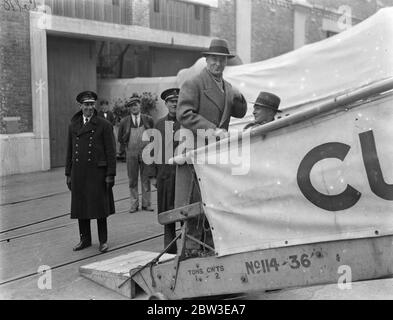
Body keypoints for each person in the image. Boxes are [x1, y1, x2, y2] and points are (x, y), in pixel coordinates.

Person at [177, 38, 248, 255]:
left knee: (215, 205)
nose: (218, 64)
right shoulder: (194, 83)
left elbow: (240, 112)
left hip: (217, 157)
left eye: (222, 60)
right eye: (214, 60)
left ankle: (211, 249)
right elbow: (183, 114)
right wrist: (212, 129)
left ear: (227, 62)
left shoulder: (227, 87)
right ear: (206, 60)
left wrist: (238, 95)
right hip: (197, 153)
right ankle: (190, 253)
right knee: (195, 205)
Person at [65, 91, 116, 253]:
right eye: (86, 104)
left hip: (98, 173)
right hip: (79, 172)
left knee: (100, 208)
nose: (89, 107)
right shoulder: (73, 125)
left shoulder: (104, 125)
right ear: (80, 106)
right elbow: (70, 151)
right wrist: (68, 173)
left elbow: (110, 152)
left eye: (91, 104)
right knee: (81, 207)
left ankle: (103, 241)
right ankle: (85, 239)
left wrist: (110, 174)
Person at [149, 88, 181, 254]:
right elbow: (152, 151)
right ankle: (170, 251)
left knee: (186, 215)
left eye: (177, 101)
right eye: (171, 101)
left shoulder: (188, 122)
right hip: (165, 178)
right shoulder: (159, 125)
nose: (174, 104)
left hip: (184, 178)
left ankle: (188, 250)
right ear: (166, 104)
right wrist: (153, 176)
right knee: (168, 215)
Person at [118, 93, 154, 213]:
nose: (134, 107)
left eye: (136, 105)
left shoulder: (148, 119)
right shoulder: (124, 122)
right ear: (129, 108)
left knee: (146, 179)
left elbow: (153, 135)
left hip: (146, 152)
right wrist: (125, 150)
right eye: (131, 105)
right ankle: (134, 204)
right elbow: (120, 138)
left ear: (140, 106)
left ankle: (146, 204)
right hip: (131, 154)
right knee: (132, 179)